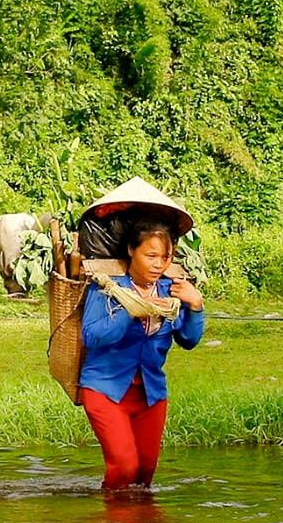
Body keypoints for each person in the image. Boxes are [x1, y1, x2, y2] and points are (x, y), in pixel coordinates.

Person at [76, 178, 205, 491]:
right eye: (151, 256)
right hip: (106, 389)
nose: (159, 265)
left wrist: (196, 305)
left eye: (165, 257)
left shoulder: (171, 290)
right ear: (131, 251)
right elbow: (92, 337)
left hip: (150, 393)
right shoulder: (107, 289)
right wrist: (132, 311)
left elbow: (188, 340)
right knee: (124, 467)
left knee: (144, 474)